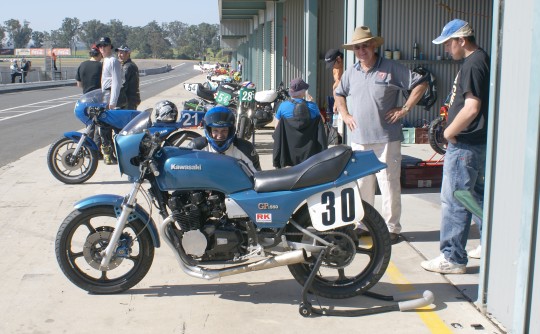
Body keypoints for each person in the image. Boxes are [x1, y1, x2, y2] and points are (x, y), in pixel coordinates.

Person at [334, 26, 428, 244]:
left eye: (365, 45)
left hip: (387, 140)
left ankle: (391, 229)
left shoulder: (391, 68)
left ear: (374, 45)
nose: (361, 50)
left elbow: (421, 83)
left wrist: (404, 108)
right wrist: (346, 114)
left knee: (389, 184)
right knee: (363, 185)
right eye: (357, 47)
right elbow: (339, 93)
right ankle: (363, 225)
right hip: (360, 140)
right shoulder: (351, 72)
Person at [421, 19, 490, 274]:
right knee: (477, 197)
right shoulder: (480, 60)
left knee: (455, 199)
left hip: (465, 145)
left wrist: (449, 132)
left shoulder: (473, 64)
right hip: (476, 144)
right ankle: (489, 244)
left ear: (462, 40)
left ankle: (452, 257)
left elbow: (472, 107)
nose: (447, 50)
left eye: (449, 44)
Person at [188, 105, 261, 173]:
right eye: (215, 130)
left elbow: (257, 179)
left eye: (224, 130)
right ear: (209, 131)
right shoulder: (196, 148)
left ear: (230, 131)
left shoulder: (245, 149)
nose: (220, 135)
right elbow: (186, 176)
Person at [272, 78, 327, 168]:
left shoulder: (283, 106)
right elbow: (322, 121)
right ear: (302, 92)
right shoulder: (313, 107)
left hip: (288, 154)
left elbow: (277, 127)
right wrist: (312, 102)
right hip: (310, 154)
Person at [97, 36, 123, 165]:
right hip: (105, 96)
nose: (102, 48)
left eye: (104, 46)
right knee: (105, 130)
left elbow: (116, 83)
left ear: (109, 46)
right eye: (100, 46)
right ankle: (110, 154)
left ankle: (118, 154)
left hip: (111, 97)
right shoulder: (105, 60)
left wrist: (112, 103)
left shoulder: (113, 61)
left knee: (115, 129)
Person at [116, 45, 141, 110]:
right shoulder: (131, 64)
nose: (119, 55)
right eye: (118, 53)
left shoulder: (127, 67)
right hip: (133, 99)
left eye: (121, 53)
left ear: (128, 53)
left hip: (128, 101)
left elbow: (123, 85)